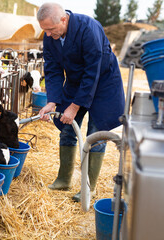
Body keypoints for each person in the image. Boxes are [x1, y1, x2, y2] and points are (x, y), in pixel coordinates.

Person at [36, 3, 125, 202]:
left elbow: (92, 71)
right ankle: (64, 179)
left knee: (96, 133)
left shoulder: (89, 28)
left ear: (64, 19)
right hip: (77, 82)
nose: (48, 35)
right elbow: (52, 69)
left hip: (103, 83)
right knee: (67, 127)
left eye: (51, 29)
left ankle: (88, 187)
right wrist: (52, 101)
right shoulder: (50, 35)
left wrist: (74, 106)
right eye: (45, 30)